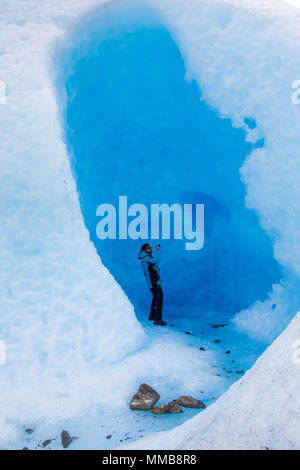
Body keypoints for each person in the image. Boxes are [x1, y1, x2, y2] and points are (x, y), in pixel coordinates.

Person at [138, 243, 166, 326]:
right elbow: (157, 260)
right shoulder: (146, 259)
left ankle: (152, 316)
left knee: (156, 297)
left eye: (150, 248)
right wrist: (158, 249)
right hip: (153, 282)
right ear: (144, 250)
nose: (151, 249)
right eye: (149, 248)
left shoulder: (147, 258)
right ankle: (157, 319)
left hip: (153, 281)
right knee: (159, 297)